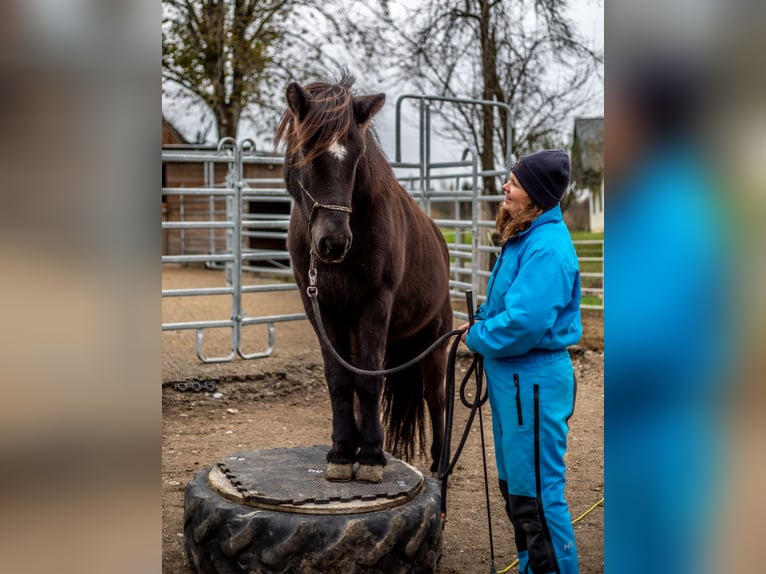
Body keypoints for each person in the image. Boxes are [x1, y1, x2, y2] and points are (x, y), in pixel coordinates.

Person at [460, 149, 582, 574]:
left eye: (515, 181)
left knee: (538, 497)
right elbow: (507, 304)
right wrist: (479, 322)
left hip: (531, 382)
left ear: (538, 194)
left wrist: (476, 337)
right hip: (514, 384)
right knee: (518, 492)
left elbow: (523, 324)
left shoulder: (546, 248)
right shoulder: (525, 237)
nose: (506, 186)